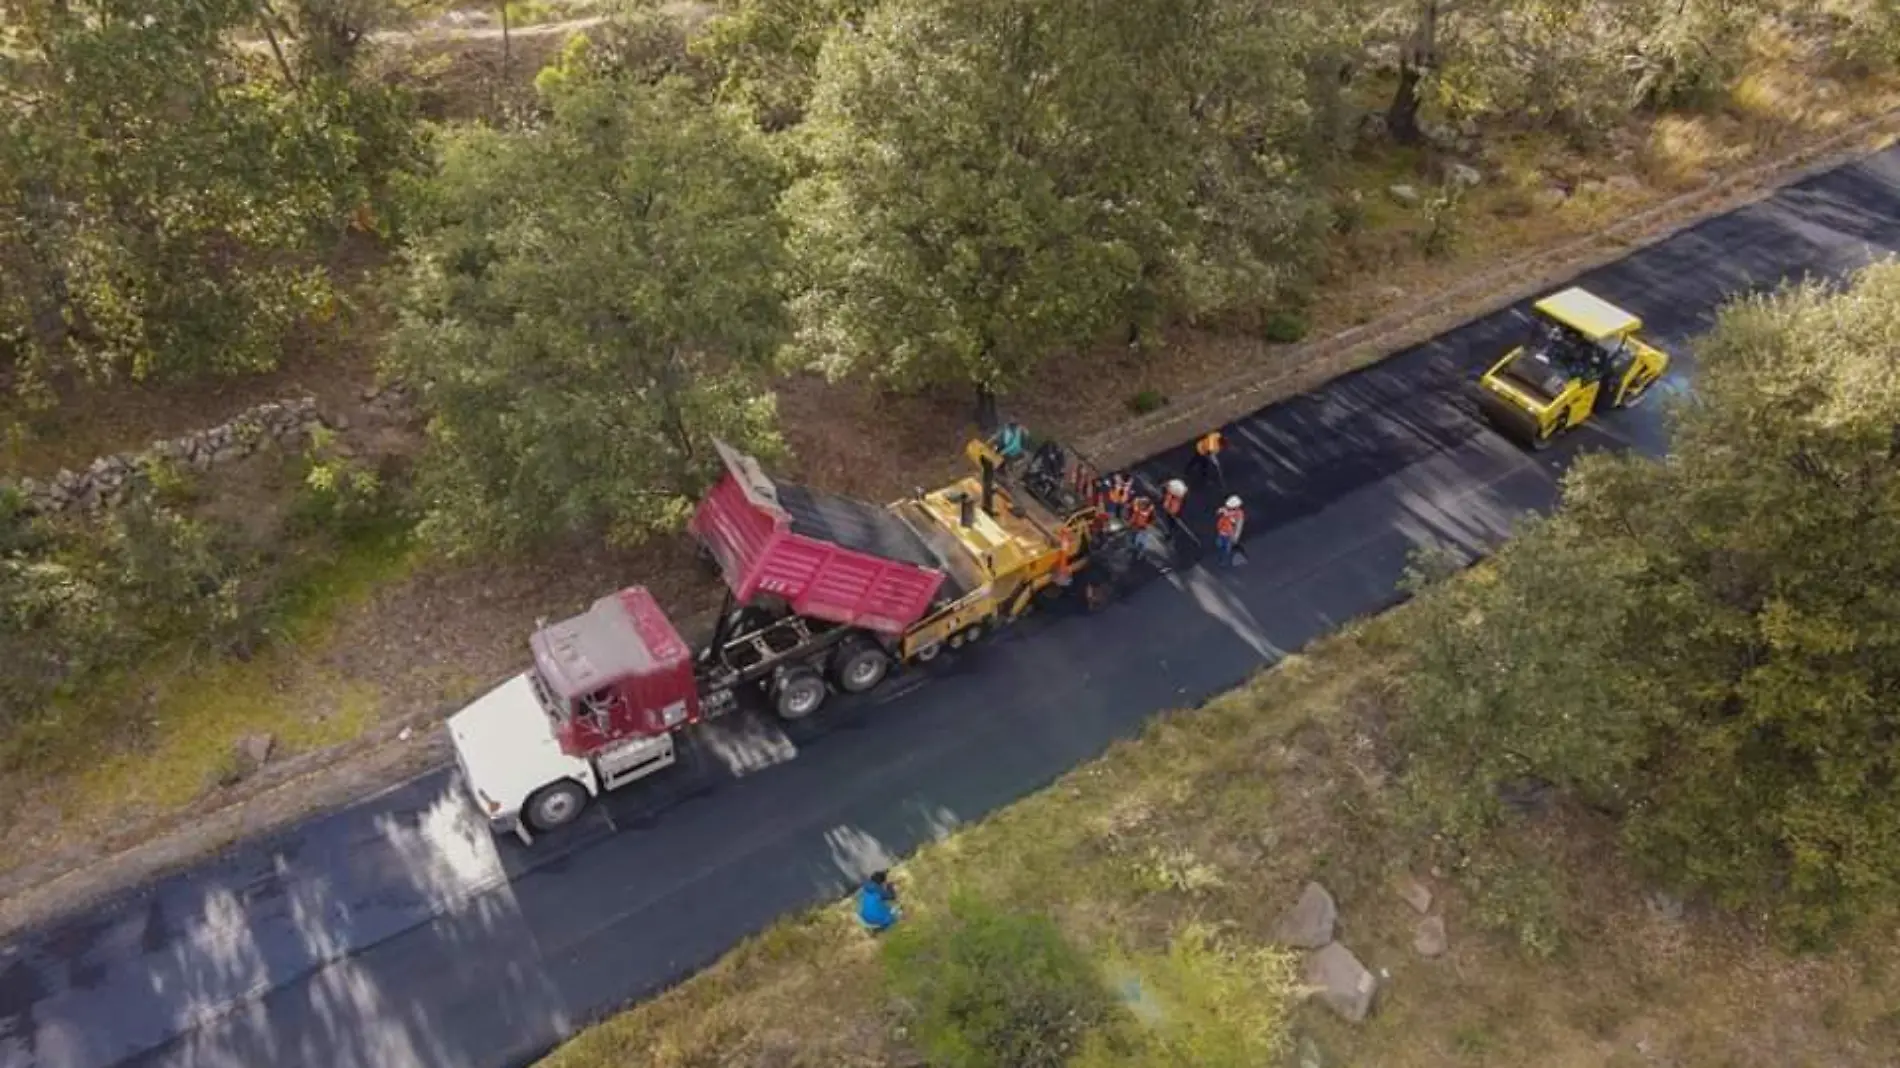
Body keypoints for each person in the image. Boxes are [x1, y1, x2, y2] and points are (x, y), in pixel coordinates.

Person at [1214, 495, 1245, 566]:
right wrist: (1221, 511)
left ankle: (1224, 561)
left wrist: (1235, 537)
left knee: (1226, 549)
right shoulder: (1225, 510)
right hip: (1221, 532)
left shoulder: (1239, 514)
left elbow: (1238, 526)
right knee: (1219, 544)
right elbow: (1217, 513)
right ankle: (1222, 557)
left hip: (1229, 534)